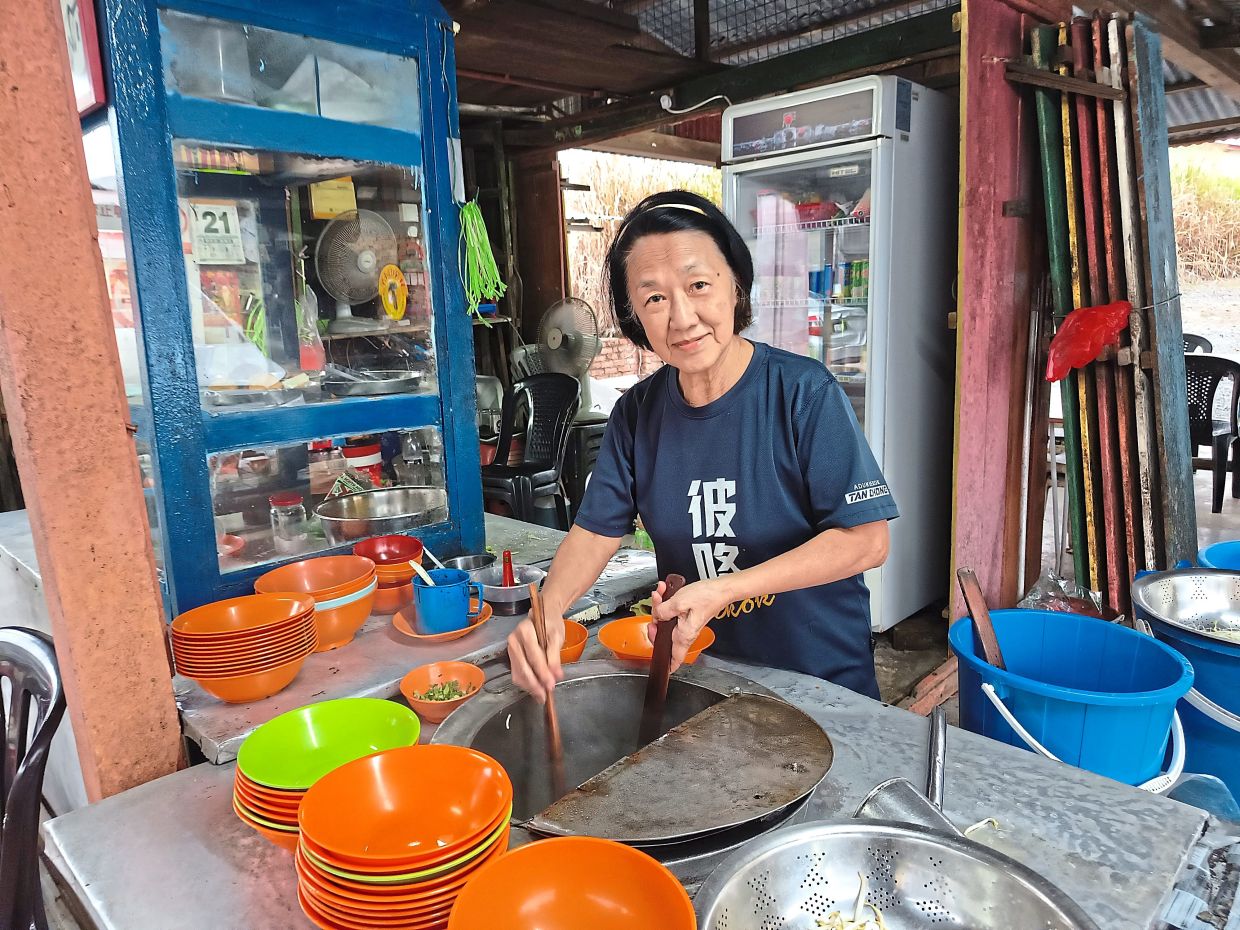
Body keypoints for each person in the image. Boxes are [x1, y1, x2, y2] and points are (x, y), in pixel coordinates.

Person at [507, 190, 897, 702]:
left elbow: (867, 540)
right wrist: (548, 611)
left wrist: (724, 589)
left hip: (821, 687)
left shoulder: (803, 394)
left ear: (734, 286)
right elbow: (594, 532)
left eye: (698, 285)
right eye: (654, 298)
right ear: (635, 319)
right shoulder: (637, 414)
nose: (682, 318)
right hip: (707, 681)